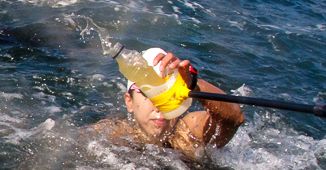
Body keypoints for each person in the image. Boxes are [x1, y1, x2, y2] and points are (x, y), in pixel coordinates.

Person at [103, 47, 245, 158]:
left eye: (168, 93)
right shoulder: (113, 135)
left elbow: (234, 119)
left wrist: (193, 84)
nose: (159, 106)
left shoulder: (189, 132)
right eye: (148, 94)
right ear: (129, 102)